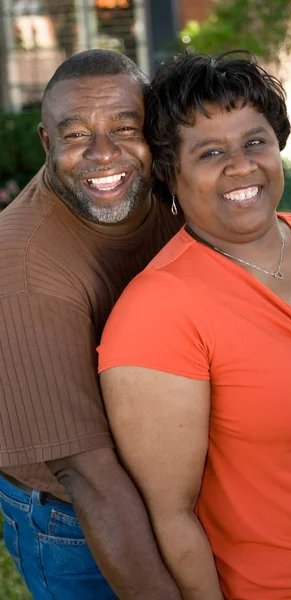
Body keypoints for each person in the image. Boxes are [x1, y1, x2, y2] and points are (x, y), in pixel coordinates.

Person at [98, 51, 291, 600]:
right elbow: (171, 516)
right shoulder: (158, 312)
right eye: (210, 153)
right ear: (170, 174)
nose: (241, 167)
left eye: (254, 142)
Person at [0, 49, 182, 600]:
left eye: (125, 128)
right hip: (73, 517)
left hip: (164, 481)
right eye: (77, 136)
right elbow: (86, 475)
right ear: (46, 143)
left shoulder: (169, 192)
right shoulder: (23, 269)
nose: (105, 155)